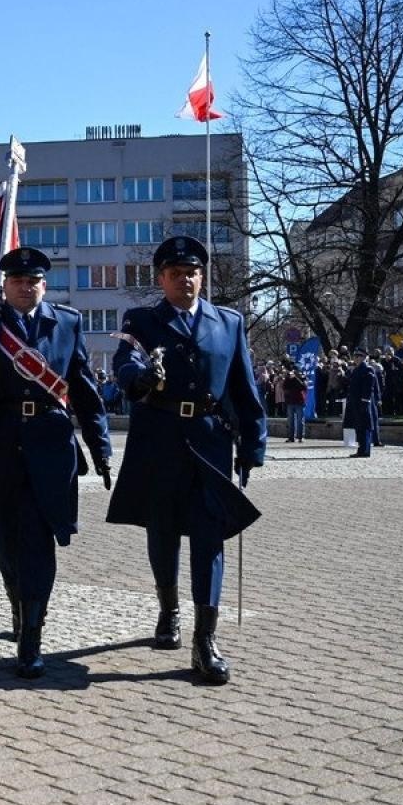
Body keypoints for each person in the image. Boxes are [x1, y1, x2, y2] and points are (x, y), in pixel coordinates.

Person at [109, 236, 264, 686]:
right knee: (162, 533)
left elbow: (244, 387)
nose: (185, 280)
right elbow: (126, 365)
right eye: (175, 273)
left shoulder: (228, 322)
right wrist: (141, 378)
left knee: (209, 537)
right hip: (160, 441)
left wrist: (253, 445)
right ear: (161, 279)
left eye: (192, 272)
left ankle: (205, 640)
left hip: (211, 443)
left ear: (203, 276)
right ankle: (168, 610)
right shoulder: (141, 320)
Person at [0, 247, 112, 679]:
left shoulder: (66, 323)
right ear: (4, 286)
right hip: (2, 445)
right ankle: (17, 599)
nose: (26, 287)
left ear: (44, 284)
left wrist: (100, 447)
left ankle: (32, 635)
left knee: (40, 544)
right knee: (7, 540)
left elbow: (83, 389)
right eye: (18, 281)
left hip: (50, 445)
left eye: (34, 281)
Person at [343, 349, 382, 458]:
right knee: (358, 426)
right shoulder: (356, 369)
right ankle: (361, 449)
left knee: (364, 426)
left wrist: (365, 401)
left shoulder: (367, 369)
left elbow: (369, 387)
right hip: (355, 402)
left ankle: (365, 450)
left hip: (363, 402)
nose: (356, 358)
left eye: (358, 356)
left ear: (364, 357)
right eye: (355, 356)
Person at [282, 366, 308, 442]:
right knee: (290, 421)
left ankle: (300, 437)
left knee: (300, 420)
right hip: (290, 402)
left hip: (299, 401)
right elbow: (284, 387)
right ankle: (291, 438)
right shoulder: (288, 378)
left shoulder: (302, 378)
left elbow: (303, 387)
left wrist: (296, 378)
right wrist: (288, 378)